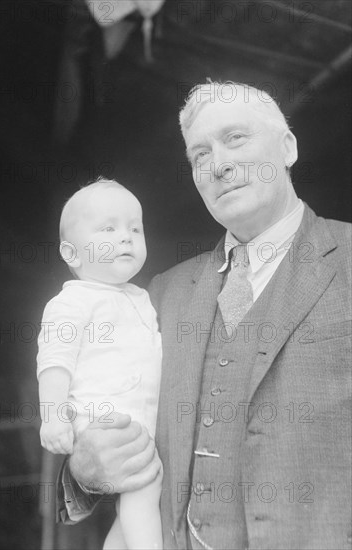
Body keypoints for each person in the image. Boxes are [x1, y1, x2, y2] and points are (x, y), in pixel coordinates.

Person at [57, 82, 352, 550]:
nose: (219, 164)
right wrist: (83, 471)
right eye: (199, 155)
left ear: (288, 147)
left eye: (236, 138)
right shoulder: (158, 295)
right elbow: (103, 401)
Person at [37, 179, 163, 549]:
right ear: (72, 254)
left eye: (135, 228)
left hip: (139, 420)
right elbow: (55, 362)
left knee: (144, 493)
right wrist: (53, 414)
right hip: (103, 418)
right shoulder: (71, 302)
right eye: (109, 229)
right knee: (144, 483)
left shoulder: (141, 296)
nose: (126, 237)